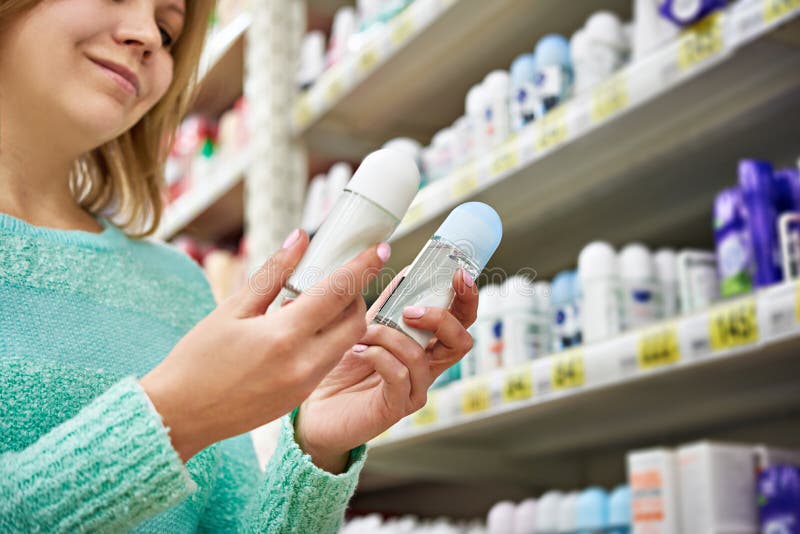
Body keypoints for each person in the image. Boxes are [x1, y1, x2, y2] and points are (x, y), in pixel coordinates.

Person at [0, 1, 478, 531]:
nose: (147, 37)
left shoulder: (176, 283)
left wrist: (317, 451)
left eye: (167, 28)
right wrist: (176, 416)